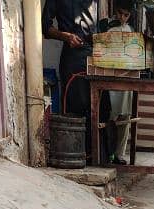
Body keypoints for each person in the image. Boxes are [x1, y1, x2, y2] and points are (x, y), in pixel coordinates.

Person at [42, 0, 109, 159]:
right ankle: (74, 155)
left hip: (95, 55)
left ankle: (99, 157)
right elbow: (45, 26)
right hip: (73, 55)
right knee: (75, 107)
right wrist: (65, 36)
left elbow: (101, 25)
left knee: (101, 107)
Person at [104, 0, 134, 165]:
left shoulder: (130, 30)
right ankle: (106, 153)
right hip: (109, 75)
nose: (122, 17)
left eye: (126, 15)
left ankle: (119, 154)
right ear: (115, 11)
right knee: (109, 116)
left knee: (125, 117)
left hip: (126, 77)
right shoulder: (105, 26)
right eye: (120, 13)